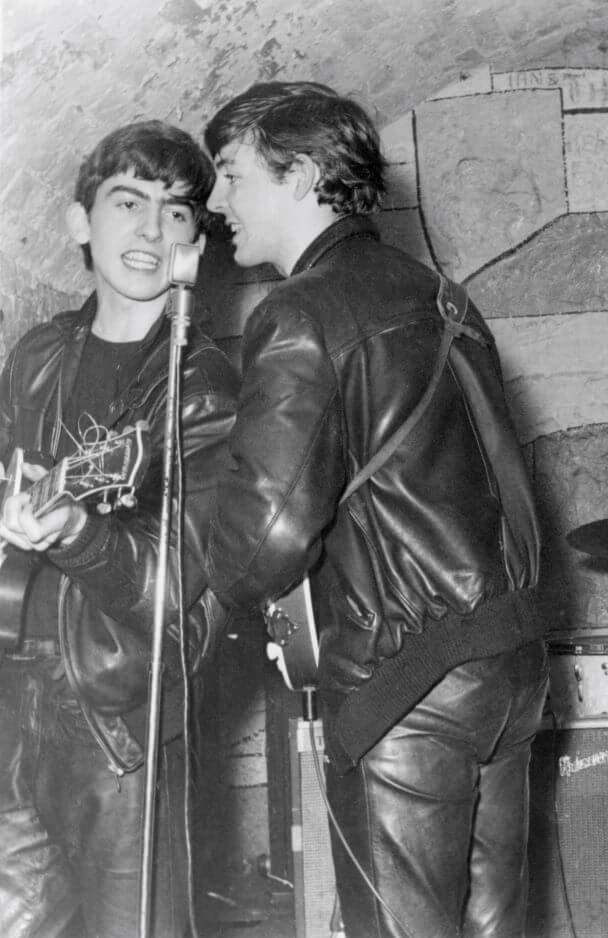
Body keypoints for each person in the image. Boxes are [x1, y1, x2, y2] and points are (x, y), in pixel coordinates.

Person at [202, 82, 547, 938]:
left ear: (303, 174)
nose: (214, 203)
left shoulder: (300, 309)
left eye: (231, 174)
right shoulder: (442, 296)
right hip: (506, 667)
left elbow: (265, 543)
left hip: (409, 686)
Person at [0, 121, 238, 937]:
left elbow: (170, 585)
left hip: (119, 721)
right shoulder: (37, 356)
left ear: (196, 244)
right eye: (127, 201)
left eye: (176, 213)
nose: (150, 229)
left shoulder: (202, 388)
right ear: (79, 223)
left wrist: (75, 530)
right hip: (11, 703)